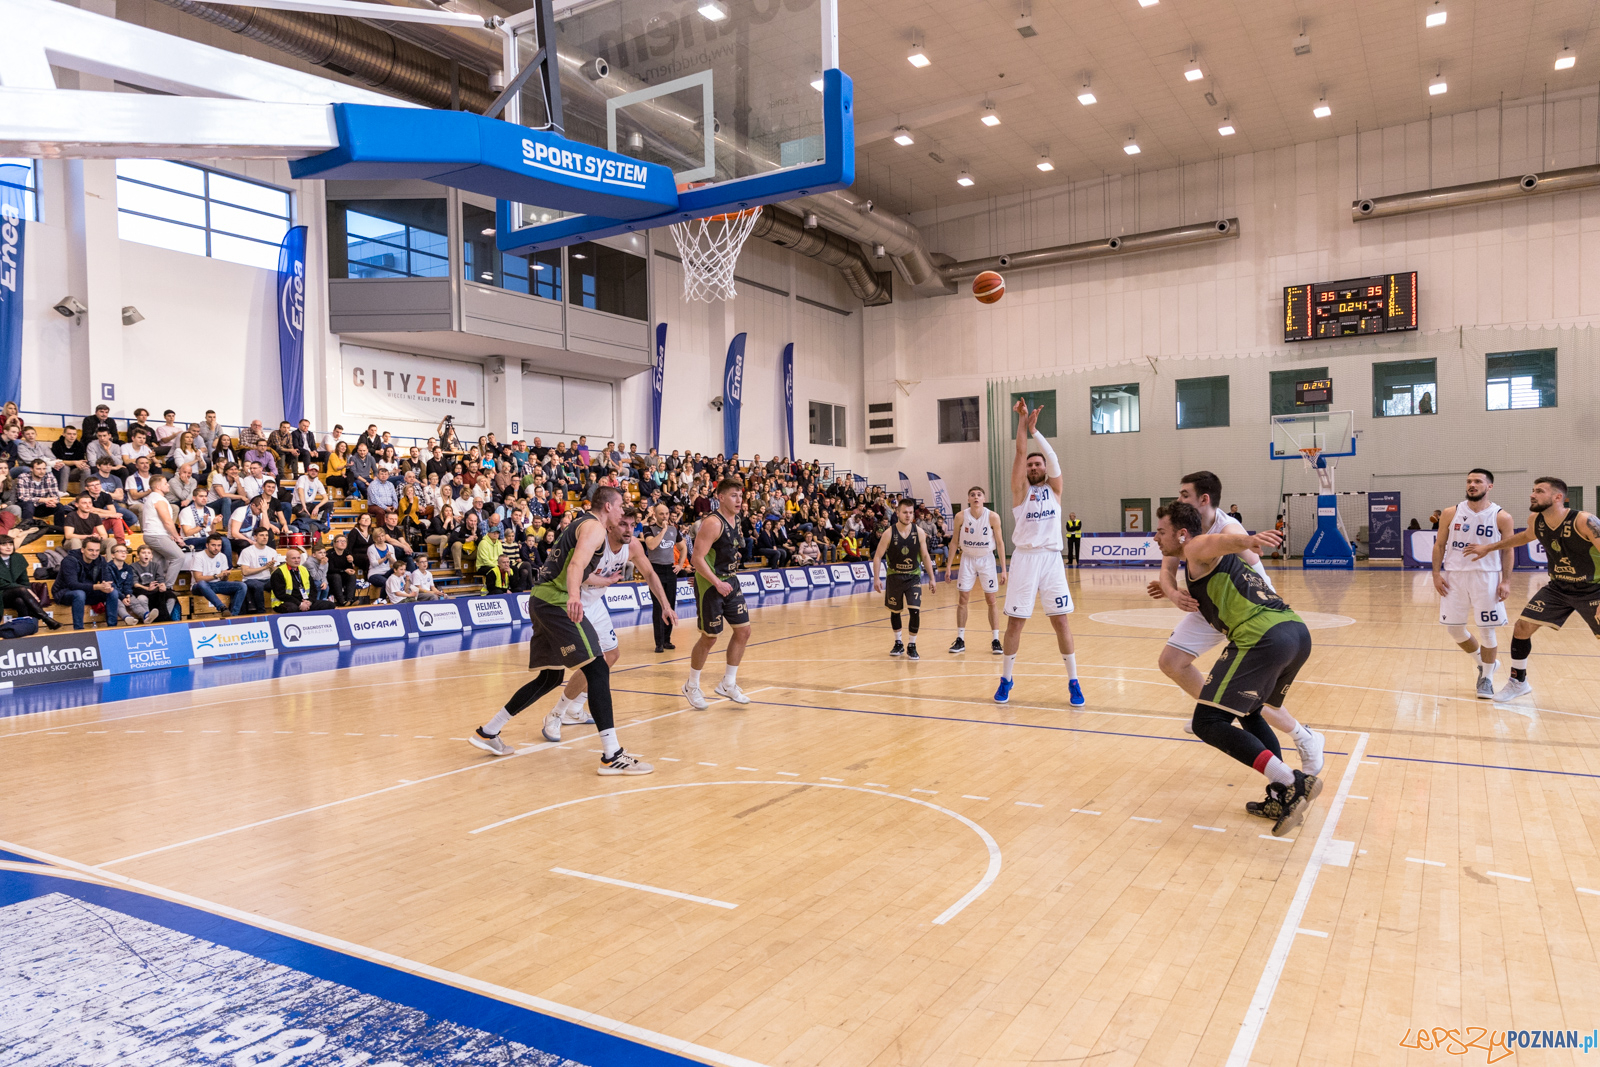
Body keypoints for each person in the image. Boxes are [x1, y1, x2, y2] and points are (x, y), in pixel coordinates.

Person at [1150, 501, 1321, 836]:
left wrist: (1247, 539)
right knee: (1252, 711)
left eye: (1160, 531)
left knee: (1207, 721)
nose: (1155, 537)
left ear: (1182, 534)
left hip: (1264, 638)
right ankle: (1279, 794)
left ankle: (1291, 782)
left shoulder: (1197, 546)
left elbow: (1214, 542)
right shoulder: (1189, 557)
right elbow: (1176, 566)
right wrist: (1169, 589)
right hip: (1295, 632)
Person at [467, 485, 652, 775]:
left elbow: (574, 563)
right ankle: (611, 755)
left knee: (551, 677)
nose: (622, 511)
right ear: (607, 507)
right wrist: (575, 596)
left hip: (542, 599)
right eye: (619, 506)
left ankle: (488, 732)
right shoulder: (593, 527)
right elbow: (576, 564)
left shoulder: (584, 524)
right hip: (557, 602)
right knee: (598, 668)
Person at [542, 507, 679, 742]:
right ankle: (556, 714)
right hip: (574, 602)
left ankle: (576, 709)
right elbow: (577, 571)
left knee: (611, 655)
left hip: (596, 603)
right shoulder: (597, 541)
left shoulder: (633, 546)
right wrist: (605, 580)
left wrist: (665, 605)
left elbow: (650, 574)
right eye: (623, 524)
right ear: (611, 525)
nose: (629, 530)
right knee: (591, 662)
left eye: (632, 525)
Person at [1462, 476, 1600, 701]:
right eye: (1533, 490)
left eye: (1539, 491)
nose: (1532, 494)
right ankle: (1518, 682)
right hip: (1559, 587)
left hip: (1594, 588)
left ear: (1557, 497)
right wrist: (1489, 547)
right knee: (1522, 628)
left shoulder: (1584, 520)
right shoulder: (1536, 520)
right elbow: (1524, 537)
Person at [994, 399, 1083, 707]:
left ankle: (1073, 681)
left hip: (1052, 560)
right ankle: (1006, 678)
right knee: (1015, 623)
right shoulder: (1021, 492)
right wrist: (1021, 422)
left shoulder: (1055, 490)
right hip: (1025, 560)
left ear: (1044, 468)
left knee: (1061, 622)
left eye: (1038, 464)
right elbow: (1020, 453)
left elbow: (1054, 459)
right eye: (1031, 465)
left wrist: (1036, 432)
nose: (1033, 466)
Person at [1431, 469, 1514, 698]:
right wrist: (1436, 574)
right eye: (1469, 481)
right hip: (1454, 577)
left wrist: (1506, 580)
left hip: (1486, 576)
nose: (1472, 485)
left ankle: (1486, 677)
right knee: (1454, 629)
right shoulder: (1450, 512)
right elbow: (1439, 545)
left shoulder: (1501, 516)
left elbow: (1508, 550)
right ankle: (1484, 662)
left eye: (1478, 481)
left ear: (1489, 486)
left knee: (1487, 630)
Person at [683, 477, 753, 709]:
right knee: (709, 638)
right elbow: (696, 558)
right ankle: (691, 685)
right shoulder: (713, 522)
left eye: (740, 495)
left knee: (743, 631)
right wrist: (716, 582)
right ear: (720, 497)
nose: (739, 499)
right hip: (711, 585)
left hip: (730, 580)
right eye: (733, 495)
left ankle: (728, 683)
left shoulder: (737, 519)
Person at [871, 498, 938, 659]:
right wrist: (876, 578)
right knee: (895, 612)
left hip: (913, 576)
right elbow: (877, 557)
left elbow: (925, 556)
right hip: (894, 576)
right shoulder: (889, 533)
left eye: (910, 512)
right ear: (898, 513)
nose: (908, 516)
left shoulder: (919, 532)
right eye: (905, 512)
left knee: (915, 610)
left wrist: (932, 578)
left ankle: (912, 645)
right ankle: (898, 643)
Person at [947, 486, 1006, 655]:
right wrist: (949, 565)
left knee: (991, 599)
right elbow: (953, 542)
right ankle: (960, 639)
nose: (976, 497)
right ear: (968, 499)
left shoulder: (993, 517)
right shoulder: (960, 516)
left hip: (986, 559)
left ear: (983, 499)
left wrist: (1003, 569)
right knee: (963, 598)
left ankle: (995, 639)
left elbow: (1000, 543)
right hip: (967, 559)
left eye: (979, 495)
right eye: (972, 495)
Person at [52, 537, 122, 629]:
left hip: (88, 592)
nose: (94, 553)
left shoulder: (101, 560)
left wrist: (111, 589)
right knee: (79, 593)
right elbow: (72, 585)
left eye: (97, 550)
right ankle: (79, 629)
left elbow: (107, 580)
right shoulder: (69, 560)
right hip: (64, 592)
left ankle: (112, 627)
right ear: (82, 550)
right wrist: (96, 587)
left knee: (113, 592)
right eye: (91, 550)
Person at [641, 503, 681, 653]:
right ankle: (658, 642)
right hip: (655, 569)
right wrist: (663, 530)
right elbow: (651, 545)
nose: (664, 516)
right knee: (658, 607)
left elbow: (682, 547)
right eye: (661, 514)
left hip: (670, 569)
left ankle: (667, 640)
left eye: (666, 513)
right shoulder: (648, 529)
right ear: (655, 515)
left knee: (670, 604)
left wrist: (681, 564)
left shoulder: (673, 529)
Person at [0, 538, 61, 628]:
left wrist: (26, 589)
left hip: (16, 594)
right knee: (21, 590)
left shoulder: (18, 558)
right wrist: (28, 591)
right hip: (2, 594)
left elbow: (24, 581)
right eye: (4, 545)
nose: (8, 547)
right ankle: (45, 618)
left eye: (10, 544)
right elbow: (2, 584)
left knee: (19, 601)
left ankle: (26, 626)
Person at [139, 473, 185, 587]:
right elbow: (167, 522)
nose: (168, 485)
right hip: (157, 535)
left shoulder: (153, 498)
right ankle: (167, 587)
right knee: (179, 557)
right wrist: (177, 537)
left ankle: (155, 586)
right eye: (165, 483)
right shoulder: (158, 499)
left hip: (153, 534)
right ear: (158, 487)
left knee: (159, 563)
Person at [190, 534, 246, 616]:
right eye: (213, 545)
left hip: (217, 584)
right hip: (200, 587)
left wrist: (225, 575)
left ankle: (234, 615)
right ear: (207, 545)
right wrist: (216, 576)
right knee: (202, 584)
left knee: (242, 585)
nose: (216, 548)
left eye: (219, 545)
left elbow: (223, 580)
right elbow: (198, 579)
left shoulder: (222, 556)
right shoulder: (199, 556)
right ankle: (222, 607)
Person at [270, 546, 335, 613]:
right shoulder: (278, 573)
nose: (296, 560)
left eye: (298, 558)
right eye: (293, 558)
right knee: (293, 608)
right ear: (286, 559)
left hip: (305, 601)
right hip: (285, 602)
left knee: (330, 605)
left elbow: (313, 589)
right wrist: (300, 604)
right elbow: (280, 594)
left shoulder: (304, 569)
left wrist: (309, 601)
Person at [130, 543, 182, 622]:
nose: (146, 555)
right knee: (141, 598)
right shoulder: (133, 566)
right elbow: (135, 583)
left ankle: (165, 619)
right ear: (138, 555)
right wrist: (147, 588)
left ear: (152, 556)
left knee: (171, 597)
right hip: (141, 589)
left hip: (154, 589)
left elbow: (160, 578)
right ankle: (147, 618)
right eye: (143, 553)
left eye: (149, 553)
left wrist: (162, 586)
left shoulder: (156, 565)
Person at [238, 528, 282, 614]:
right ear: (255, 537)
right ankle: (261, 612)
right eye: (261, 535)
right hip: (250, 579)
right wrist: (264, 567)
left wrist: (272, 567)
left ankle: (281, 608)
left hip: (267, 579)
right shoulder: (247, 551)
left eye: (266, 535)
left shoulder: (272, 551)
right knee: (258, 586)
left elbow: (275, 572)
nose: (265, 537)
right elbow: (245, 572)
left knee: (280, 582)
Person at [325, 533, 361, 606]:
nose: (343, 543)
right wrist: (344, 570)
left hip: (342, 575)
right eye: (340, 541)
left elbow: (349, 568)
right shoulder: (329, 553)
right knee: (336, 576)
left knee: (352, 576)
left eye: (344, 541)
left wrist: (351, 567)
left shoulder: (347, 553)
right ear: (334, 544)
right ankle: (341, 601)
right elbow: (330, 569)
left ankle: (350, 599)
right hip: (331, 575)